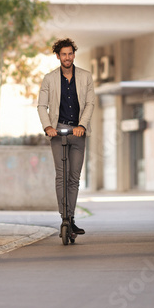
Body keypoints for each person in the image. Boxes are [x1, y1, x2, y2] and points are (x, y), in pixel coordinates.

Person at [37, 38, 95, 235]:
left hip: (78, 131)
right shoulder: (49, 79)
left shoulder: (86, 77)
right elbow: (41, 106)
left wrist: (82, 125)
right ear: (58, 56)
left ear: (74, 55)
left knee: (74, 178)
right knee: (61, 176)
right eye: (64, 54)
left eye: (70, 53)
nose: (67, 57)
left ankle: (71, 218)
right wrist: (48, 127)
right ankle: (64, 217)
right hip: (58, 131)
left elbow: (89, 104)